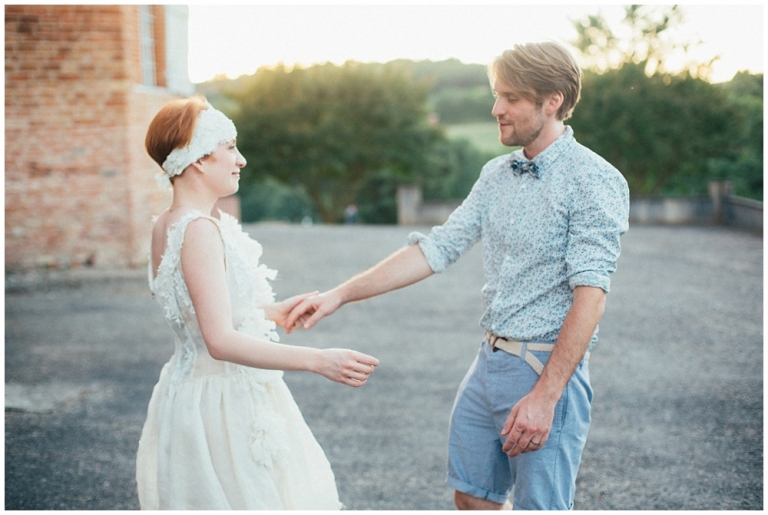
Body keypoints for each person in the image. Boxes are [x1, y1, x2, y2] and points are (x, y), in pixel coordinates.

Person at [285, 41, 629, 510]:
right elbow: (436, 248)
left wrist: (547, 396)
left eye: (510, 97)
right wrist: (339, 295)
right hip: (487, 361)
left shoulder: (594, 178)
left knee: (541, 508)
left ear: (551, 102)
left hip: (542, 368)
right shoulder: (495, 174)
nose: (496, 109)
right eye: (495, 94)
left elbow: (591, 297)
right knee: (472, 498)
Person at [135, 96, 379, 510]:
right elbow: (219, 340)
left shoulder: (167, 224)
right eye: (230, 147)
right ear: (197, 158)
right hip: (223, 403)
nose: (241, 160)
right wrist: (318, 360)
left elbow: (201, 314)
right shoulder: (198, 230)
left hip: (187, 395)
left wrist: (273, 311)